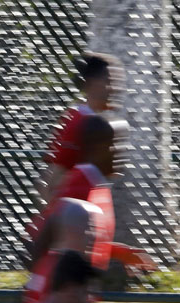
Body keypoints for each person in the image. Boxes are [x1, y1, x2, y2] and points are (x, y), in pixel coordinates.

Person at [36, 53, 122, 202]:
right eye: (109, 81)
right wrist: (58, 217)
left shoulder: (105, 122)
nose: (114, 88)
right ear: (92, 83)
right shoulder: (78, 120)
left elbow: (111, 172)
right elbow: (51, 178)